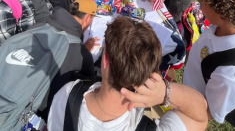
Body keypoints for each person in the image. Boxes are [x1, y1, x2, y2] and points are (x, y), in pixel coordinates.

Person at [48, 16, 208, 131]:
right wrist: (165, 92)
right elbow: (200, 117)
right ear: (150, 74)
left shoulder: (68, 92)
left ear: (105, 60)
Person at [37, 0, 100, 121]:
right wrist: (84, 51)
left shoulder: (39, 25)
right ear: (87, 18)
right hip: (48, 110)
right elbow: (89, 81)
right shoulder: (79, 53)